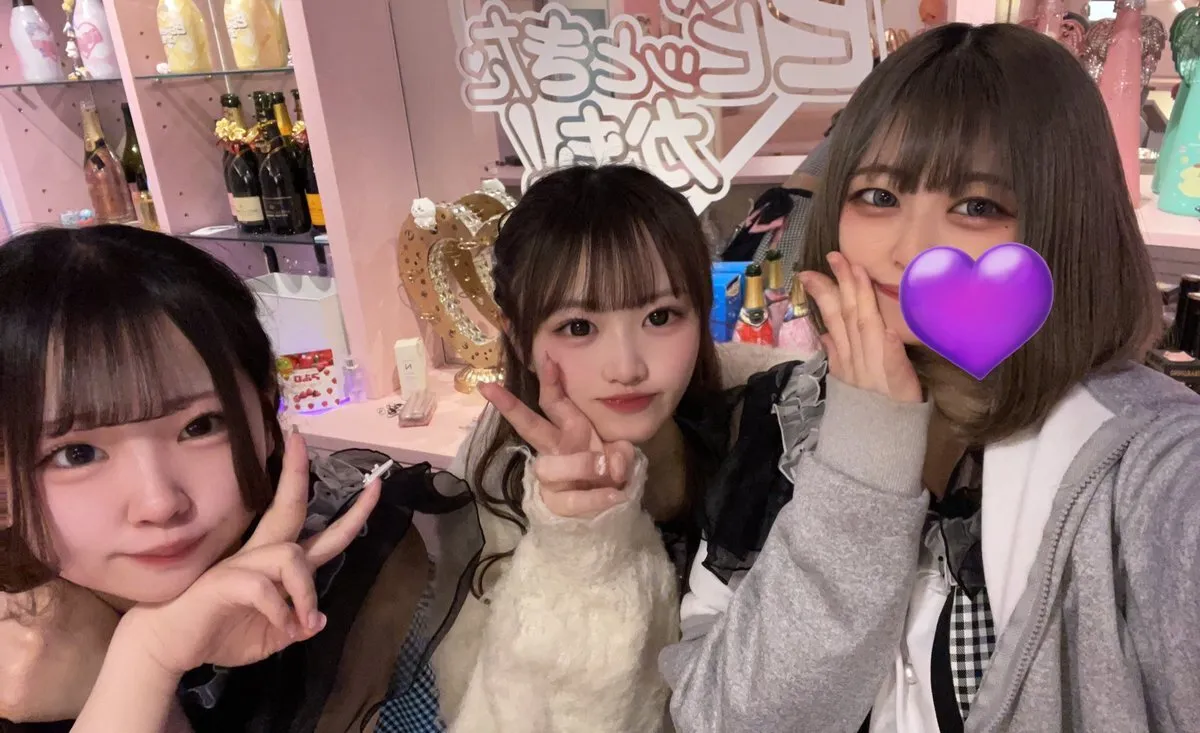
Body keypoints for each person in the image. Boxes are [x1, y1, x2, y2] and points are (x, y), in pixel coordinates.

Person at [660, 22, 1200, 733]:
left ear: (1068, 224)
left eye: (977, 206)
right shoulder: (781, 415)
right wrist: (866, 451)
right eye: (879, 196)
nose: (909, 249)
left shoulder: (1145, 458)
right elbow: (723, 716)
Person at [0, 225, 458, 732]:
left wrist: (144, 660)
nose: (159, 502)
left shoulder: (354, 571)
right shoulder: (17, 659)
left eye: (200, 426)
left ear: (266, 412)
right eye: (76, 454)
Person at [425, 164, 825, 731]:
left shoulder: (777, 442)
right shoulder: (492, 490)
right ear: (521, 340)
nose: (627, 367)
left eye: (660, 316)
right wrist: (580, 546)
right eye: (578, 327)